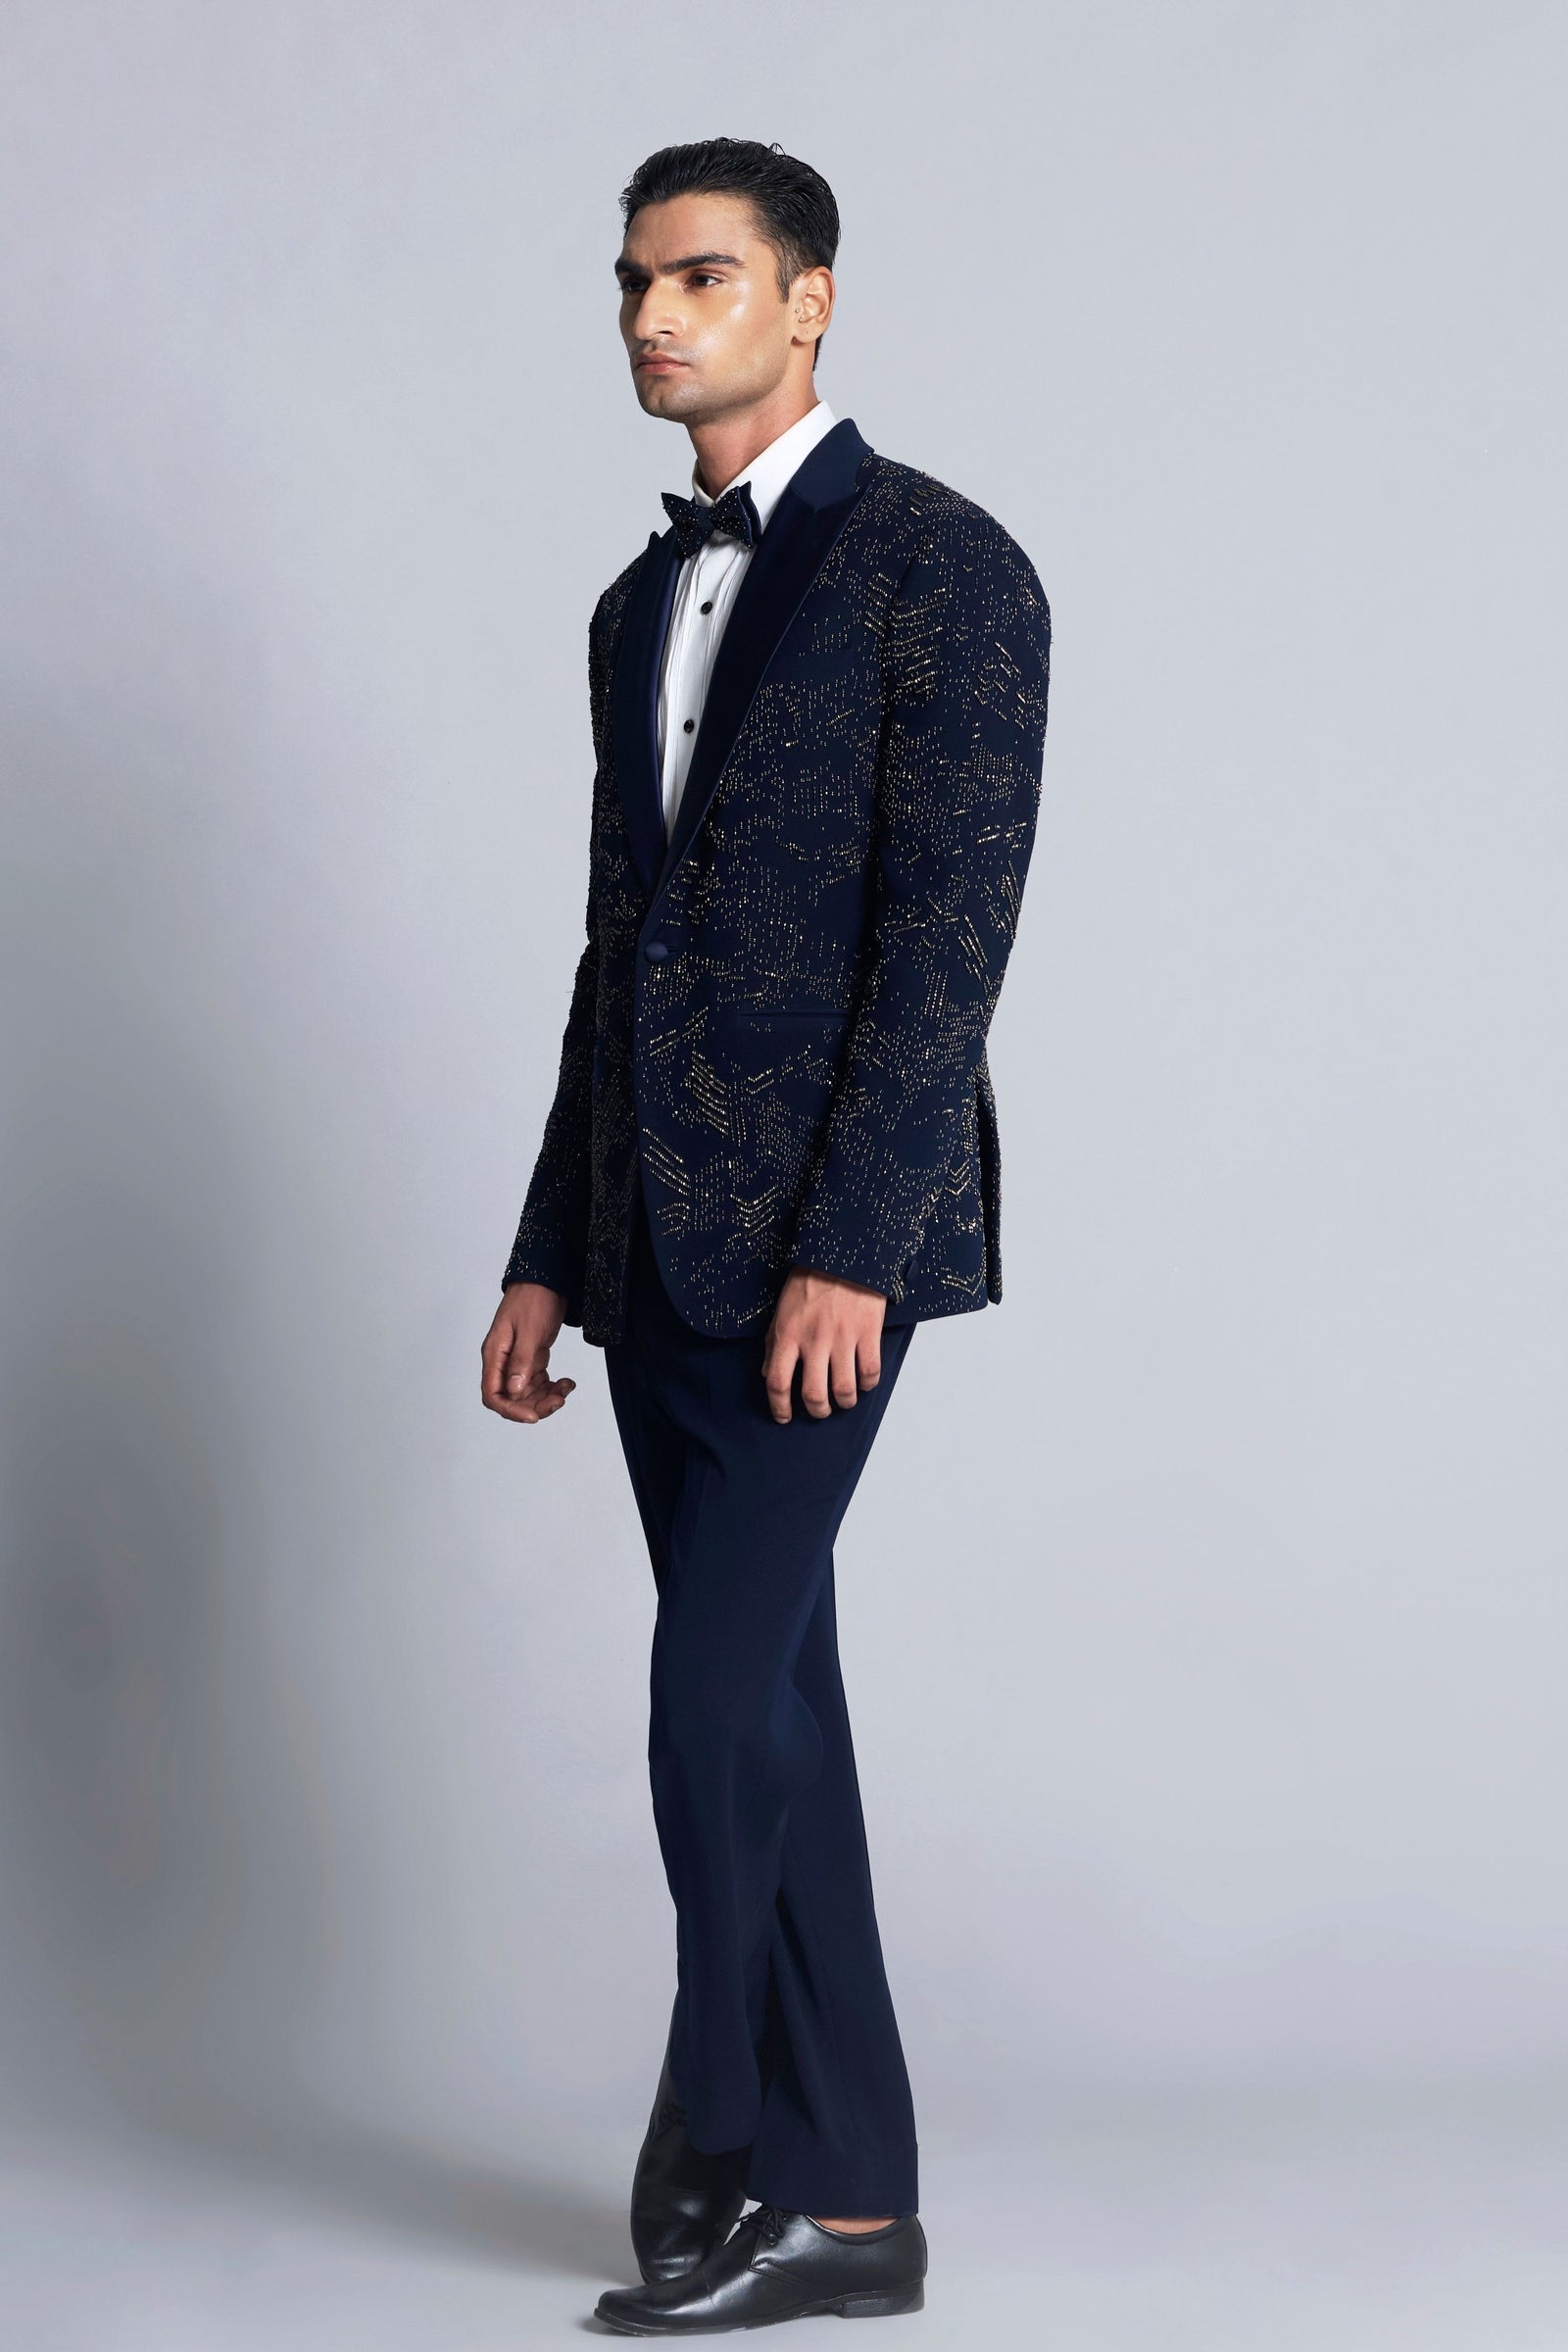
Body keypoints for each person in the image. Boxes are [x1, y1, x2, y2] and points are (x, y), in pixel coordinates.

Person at [480, 136, 1051, 2335]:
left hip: (827, 1250)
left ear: (807, 300)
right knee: (778, 1705)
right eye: (632, 279)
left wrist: (857, 1244)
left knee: (713, 1697)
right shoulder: (633, 608)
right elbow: (613, 956)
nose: (652, 315)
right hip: (649, 1244)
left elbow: (946, 944)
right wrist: (548, 1246)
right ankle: (859, 2211)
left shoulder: (945, 570)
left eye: (700, 277)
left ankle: (717, 2126)